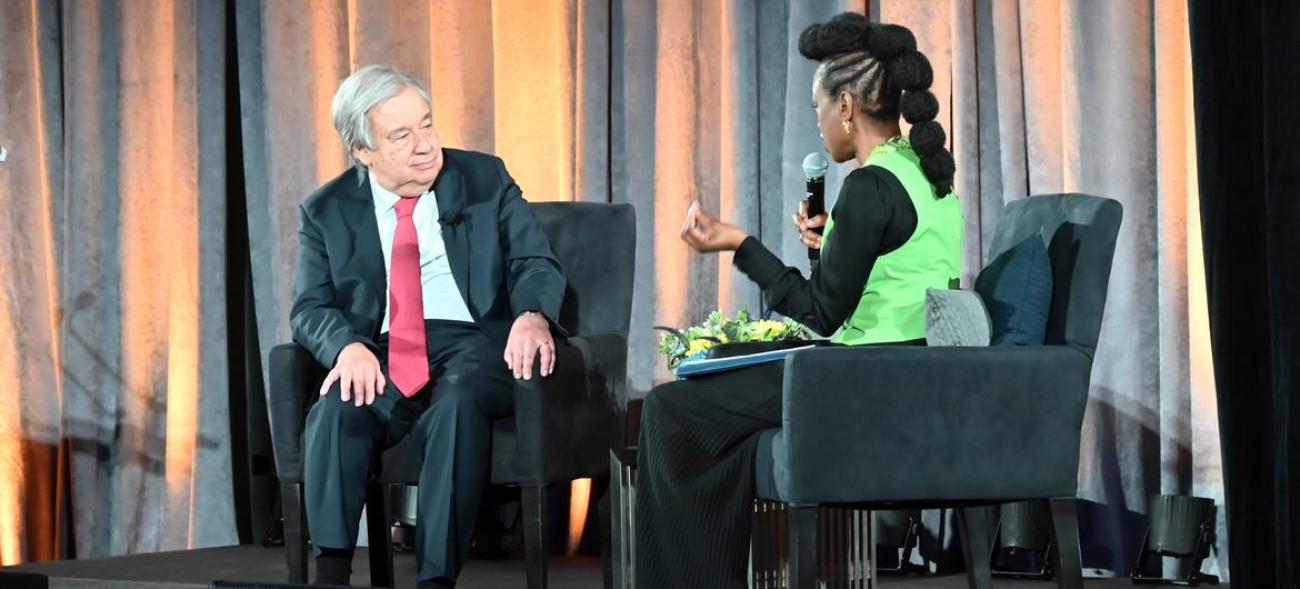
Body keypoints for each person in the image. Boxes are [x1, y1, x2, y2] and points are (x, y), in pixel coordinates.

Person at [635, 14, 964, 588]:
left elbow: (820, 313)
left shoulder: (869, 186)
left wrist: (741, 245)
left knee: (670, 411)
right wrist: (825, 247)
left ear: (845, 106)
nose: (818, 126)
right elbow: (874, 287)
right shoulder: (923, 172)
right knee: (726, 420)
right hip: (913, 372)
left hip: (864, 380)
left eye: (818, 110)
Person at [291, 64, 565, 588]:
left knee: (458, 404)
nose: (424, 146)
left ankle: (435, 580)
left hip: (476, 345)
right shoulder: (326, 211)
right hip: (382, 350)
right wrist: (346, 347)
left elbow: (535, 260)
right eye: (401, 136)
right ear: (362, 151)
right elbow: (310, 307)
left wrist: (532, 317)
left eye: (427, 124)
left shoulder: (484, 178)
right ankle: (329, 575)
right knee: (336, 408)